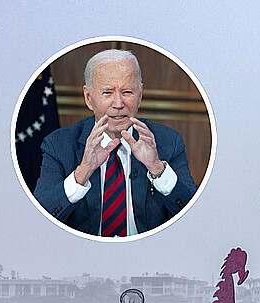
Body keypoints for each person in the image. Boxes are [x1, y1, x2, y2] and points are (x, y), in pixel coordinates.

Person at [33, 49, 197, 237]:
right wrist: (82, 173)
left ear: (140, 95)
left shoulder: (169, 142)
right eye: (107, 93)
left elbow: (194, 216)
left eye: (127, 92)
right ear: (88, 97)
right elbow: (40, 219)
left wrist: (157, 169)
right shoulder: (58, 145)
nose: (118, 103)